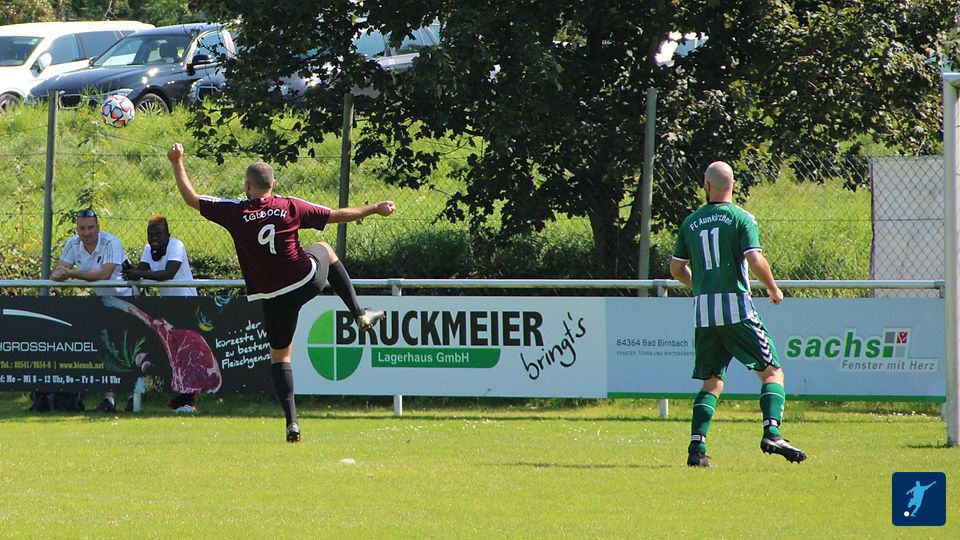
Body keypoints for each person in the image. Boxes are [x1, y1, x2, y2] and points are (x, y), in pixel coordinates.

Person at [166, 142, 395, 442]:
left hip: (271, 295)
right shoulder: (289, 206)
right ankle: (359, 313)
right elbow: (336, 214)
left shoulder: (235, 211)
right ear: (273, 184)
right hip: (304, 281)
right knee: (324, 248)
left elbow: (192, 199)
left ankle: (292, 423)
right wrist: (375, 208)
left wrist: (177, 161)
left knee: (280, 357)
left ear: (247, 185)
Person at [670, 161, 806, 467]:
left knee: (711, 381)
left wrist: (700, 286)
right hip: (736, 309)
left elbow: (676, 269)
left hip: (704, 313)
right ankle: (772, 432)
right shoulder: (741, 218)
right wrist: (773, 288)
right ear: (733, 185)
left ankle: (696, 449)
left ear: (706, 186)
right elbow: (754, 259)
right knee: (772, 372)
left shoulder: (690, 222)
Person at [51, 208, 134, 413]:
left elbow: (105, 274)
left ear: (98, 227)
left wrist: (71, 274)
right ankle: (109, 400)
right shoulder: (73, 243)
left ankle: (134, 397)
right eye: (82, 228)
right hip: (103, 301)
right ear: (77, 229)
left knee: (129, 350)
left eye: (90, 228)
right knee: (105, 348)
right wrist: (60, 273)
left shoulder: (111, 242)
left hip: (129, 299)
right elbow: (57, 271)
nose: (86, 233)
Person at [122, 215, 201, 413]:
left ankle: (188, 402)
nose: (154, 238)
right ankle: (166, 398)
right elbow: (140, 272)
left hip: (187, 305)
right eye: (151, 235)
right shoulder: (148, 250)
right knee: (169, 356)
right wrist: (130, 270)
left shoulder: (176, 245)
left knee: (185, 357)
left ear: (168, 234)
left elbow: (168, 273)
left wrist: (139, 273)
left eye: (158, 234)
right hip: (168, 308)